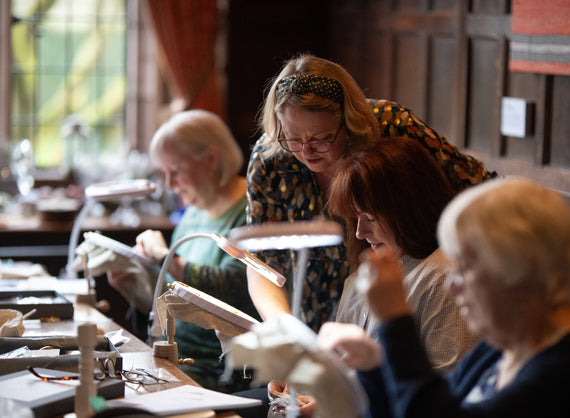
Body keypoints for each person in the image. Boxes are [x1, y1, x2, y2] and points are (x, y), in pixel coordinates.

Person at [318, 178, 570, 417]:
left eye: (464, 268)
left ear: (521, 268)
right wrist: (373, 365)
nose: (452, 286)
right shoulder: (499, 350)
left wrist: (395, 322)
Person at [246, 53, 496, 333]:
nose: (306, 151)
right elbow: (259, 261)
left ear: (349, 122)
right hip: (323, 301)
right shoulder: (271, 158)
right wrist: (283, 325)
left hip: (413, 288)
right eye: (293, 138)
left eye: (321, 138)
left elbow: (478, 188)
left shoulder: (391, 127)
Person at [107, 109, 259, 391]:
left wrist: (166, 258)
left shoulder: (252, 212)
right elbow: (178, 304)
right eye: (163, 173)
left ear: (210, 159)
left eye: (175, 171)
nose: (168, 184)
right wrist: (135, 289)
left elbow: (234, 289)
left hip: (217, 370)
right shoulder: (191, 215)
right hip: (173, 358)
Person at [327, 136, 477, 372]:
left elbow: (445, 383)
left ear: (408, 211)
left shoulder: (442, 279)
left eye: (370, 218)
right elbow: (340, 367)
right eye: (355, 218)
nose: (359, 232)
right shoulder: (370, 270)